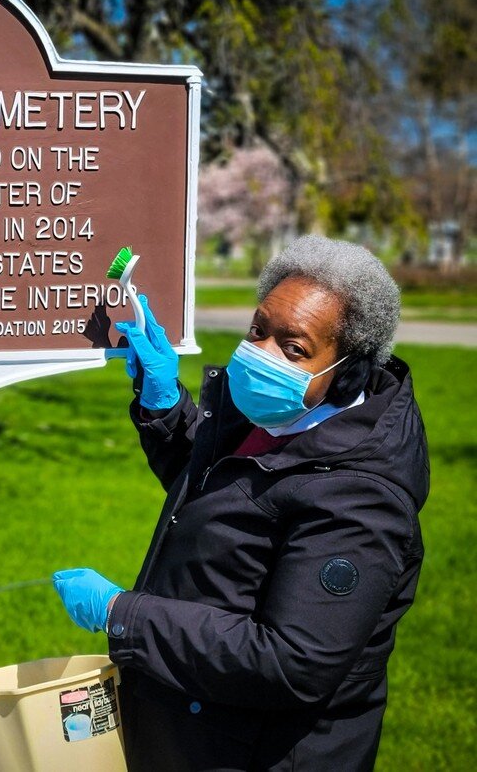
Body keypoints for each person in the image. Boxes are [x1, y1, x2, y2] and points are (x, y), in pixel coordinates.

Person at [53, 237, 429, 771]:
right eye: (259, 330)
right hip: (191, 730)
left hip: (261, 754)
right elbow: (227, 496)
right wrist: (165, 407)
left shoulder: (361, 502)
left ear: (348, 374)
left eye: (294, 348)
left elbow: (293, 662)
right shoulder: (277, 419)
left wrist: (124, 614)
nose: (261, 354)